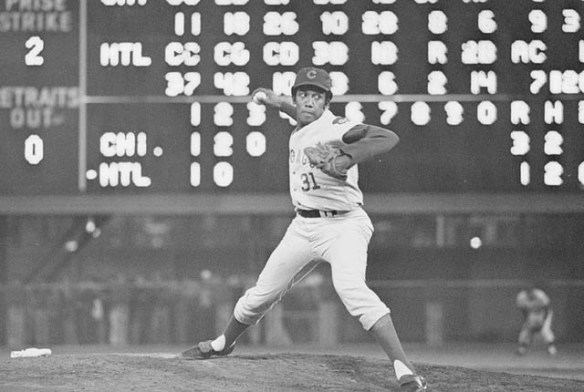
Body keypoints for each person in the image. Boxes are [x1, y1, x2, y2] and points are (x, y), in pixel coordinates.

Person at [181, 67, 427, 392]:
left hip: (344, 225)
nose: (309, 101)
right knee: (259, 296)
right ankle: (224, 342)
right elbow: (292, 110)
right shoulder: (300, 122)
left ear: (327, 102)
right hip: (303, 226)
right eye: (304, 94)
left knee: (351, 289)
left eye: (317, 96)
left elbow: (386, 137)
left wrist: (346, 157)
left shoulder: (335, 127)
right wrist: (273, 100)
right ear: (297, 98)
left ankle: (405, 370)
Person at [516, 284, 557, 356]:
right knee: (525, 330)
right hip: (531, 313)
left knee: (545, 330)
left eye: (531, 291)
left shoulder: (540, 295)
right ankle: (522, 349)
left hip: (544, 313)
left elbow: (547, 308)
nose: (530, 293)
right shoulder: (521, 297)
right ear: (525, 292)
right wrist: (527, 320)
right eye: (528, 292)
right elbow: (523, 310)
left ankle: (552, 349)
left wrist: (543, 321)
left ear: (534, 291)